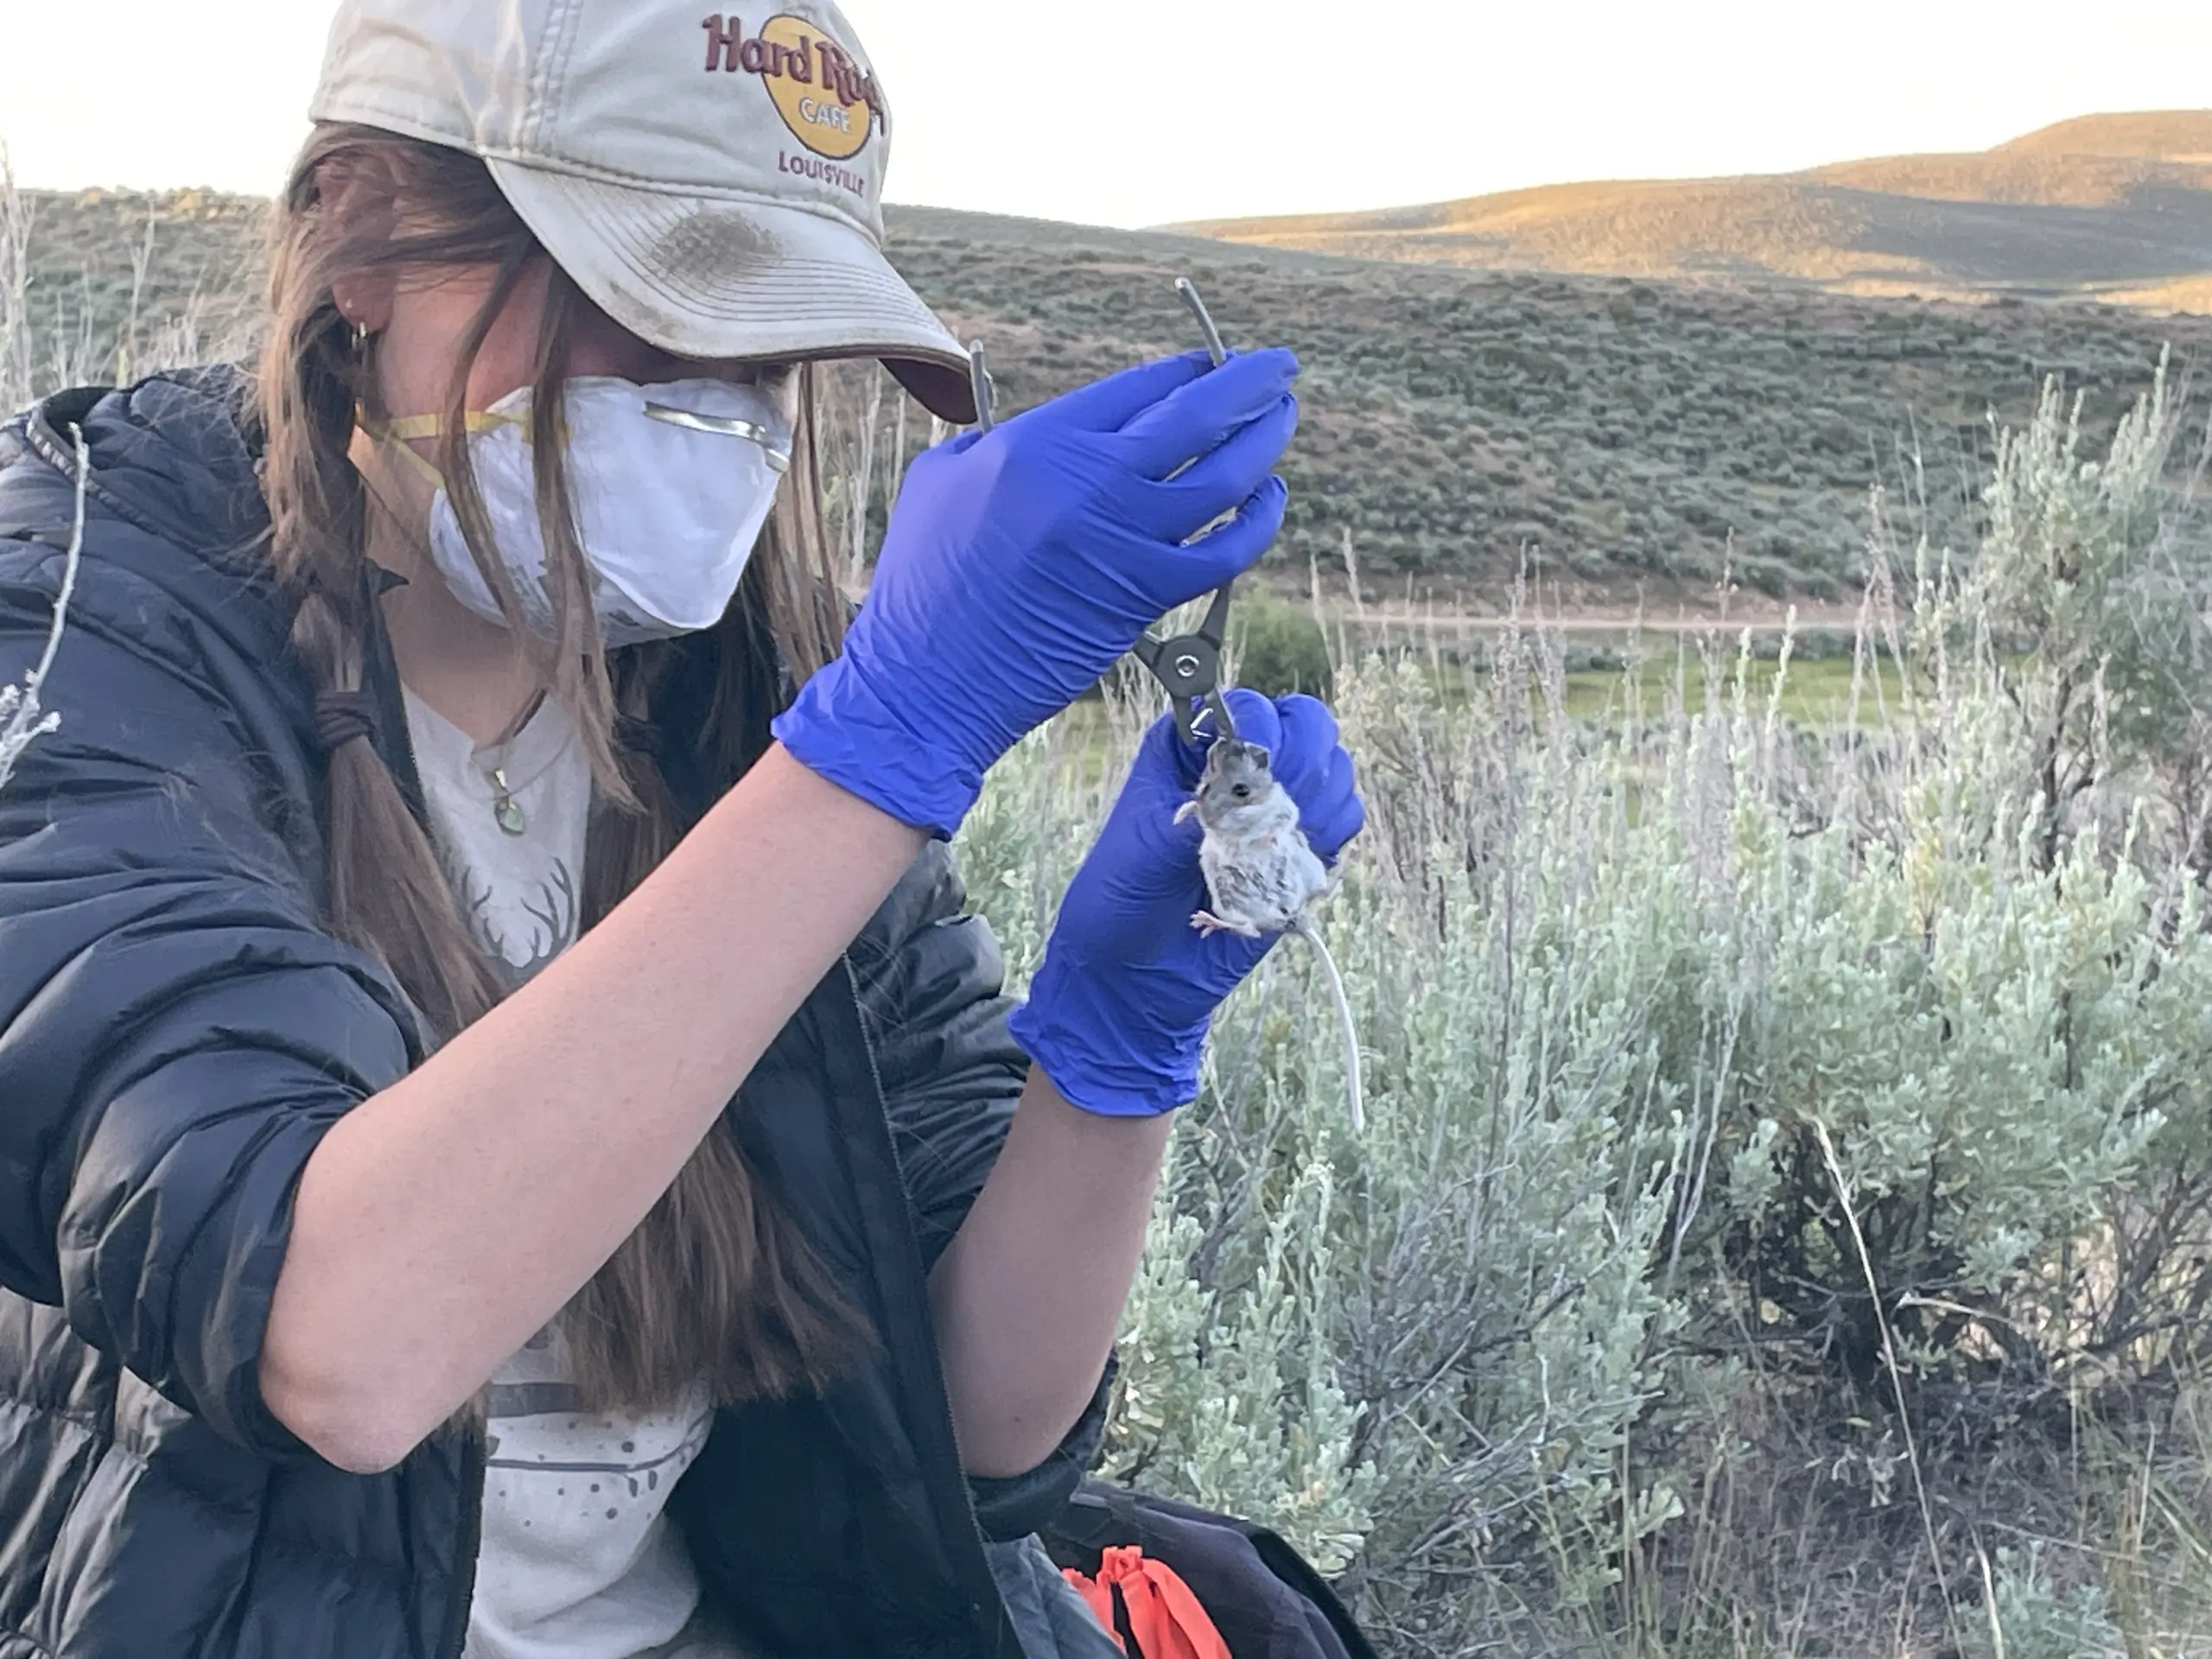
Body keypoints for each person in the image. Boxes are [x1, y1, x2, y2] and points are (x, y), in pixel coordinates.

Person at [0, 3, 1365, 1658]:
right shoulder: (86, 628)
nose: (721, 418)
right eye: (654, 318)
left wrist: (1112, 1058)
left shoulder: (735, 701)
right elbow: (335, 1339)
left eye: (769, 353)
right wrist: (876, 760)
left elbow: (979, 1428)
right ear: (363, 235)